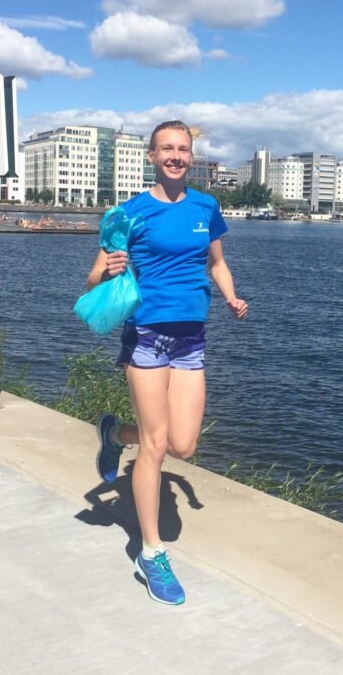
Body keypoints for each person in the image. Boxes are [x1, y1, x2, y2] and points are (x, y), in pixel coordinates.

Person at [85, 120, 248, 605]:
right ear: (152, 156)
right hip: (147, 338)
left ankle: (115, 434)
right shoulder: (130, 213)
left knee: (183, 446)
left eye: (183, 149)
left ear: (191, 157)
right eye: (167, 149)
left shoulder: (206, 206)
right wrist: (109, 270)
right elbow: (94, 278)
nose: (176, 156)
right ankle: (151, 552)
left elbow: (216, 262)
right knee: (155, 447)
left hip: (191, 339)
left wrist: (231, 297)